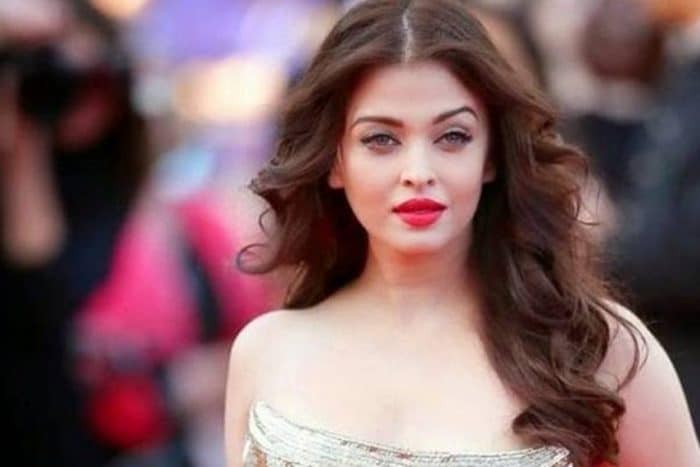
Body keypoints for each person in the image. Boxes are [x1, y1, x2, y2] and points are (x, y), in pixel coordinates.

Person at [224, 1, 700, 466]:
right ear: (334, 160)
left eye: (452, 137)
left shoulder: (598, 349)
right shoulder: (267, 350)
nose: (418, 172)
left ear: (491, 156)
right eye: (381, 139)